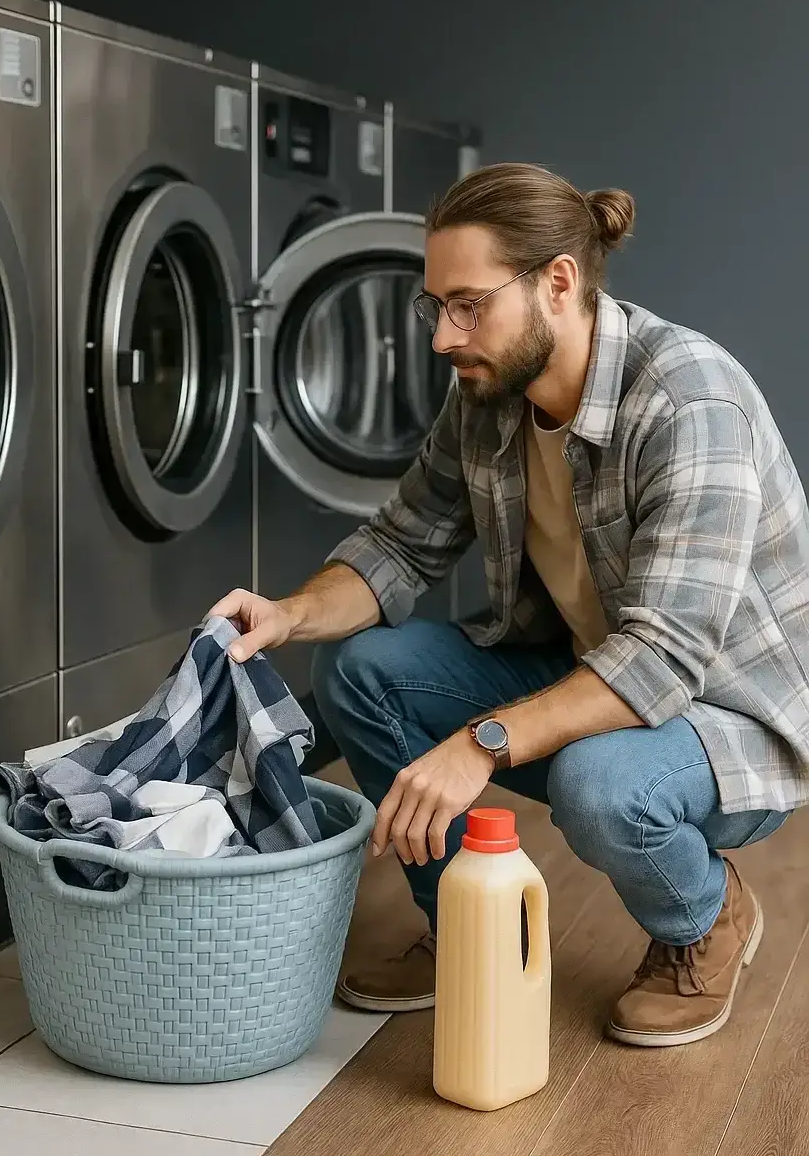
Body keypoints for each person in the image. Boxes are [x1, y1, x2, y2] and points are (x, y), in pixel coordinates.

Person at [210, 162, 809, 1048]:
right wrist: (291, 615)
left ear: (558, 283)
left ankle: (705, 919)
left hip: (728, 718)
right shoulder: (489, 396)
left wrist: (480, 742)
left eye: (468, 304)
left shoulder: (688, 398)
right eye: (434, 308)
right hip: (585, 675)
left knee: (599, 783)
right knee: (359, 667)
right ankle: (469, 929)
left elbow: (663, 660)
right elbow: (399, 544)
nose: (444, 337)